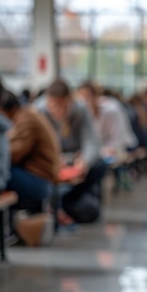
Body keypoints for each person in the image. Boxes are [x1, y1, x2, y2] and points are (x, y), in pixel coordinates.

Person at [34, 78, 106, 225]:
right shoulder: (38, 111)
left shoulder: (81, 110)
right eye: (53, 105)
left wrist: (84, 161)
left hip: (74, 163)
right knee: (87, 211)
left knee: (100, 165)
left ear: (70, 100)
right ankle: (59, 208)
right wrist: (53, 159)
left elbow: (92, 142)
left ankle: (63, 205)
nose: (58, 110)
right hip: (50, 164)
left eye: (62, 105)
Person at [1, 90, 61, 214]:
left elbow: (15, 154)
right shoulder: (27, 114)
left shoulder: (26, 118)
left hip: (40, 180)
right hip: (42, 178)